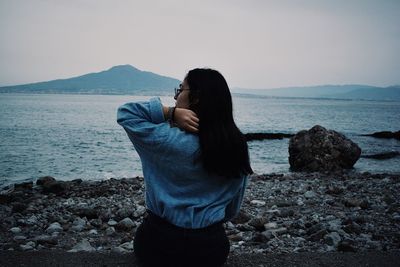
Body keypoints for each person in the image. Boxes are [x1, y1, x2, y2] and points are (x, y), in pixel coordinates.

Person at [117, 68, 253, 267]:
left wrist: (169, 113)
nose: (176, 97)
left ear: (195, 97)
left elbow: (126, 113)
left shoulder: (163, 138)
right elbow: (233, 208)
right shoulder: (236, 145)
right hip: (210, 248)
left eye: (180, 90)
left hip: (159, 243)